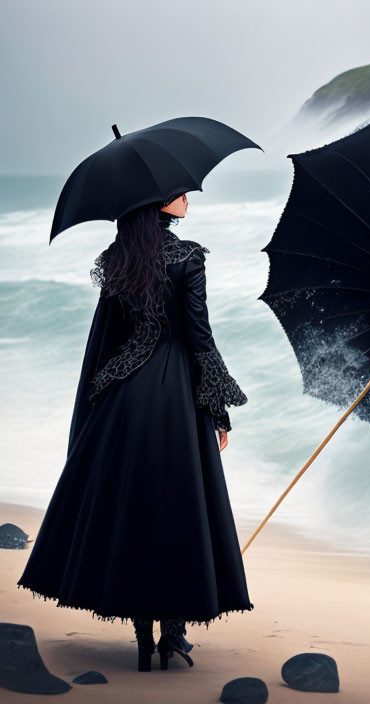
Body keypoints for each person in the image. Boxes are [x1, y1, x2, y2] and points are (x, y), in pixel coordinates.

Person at [17, 192, 253, 672]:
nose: (188, 199)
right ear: (161, 204)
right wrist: (219, 407)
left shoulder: (119, 260)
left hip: (125, 401)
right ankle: (172, 635)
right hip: (175, 403)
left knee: (135, 514)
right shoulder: (189, 258)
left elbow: (106, 339)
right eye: (180, 194)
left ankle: (144, 640)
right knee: (176, 510)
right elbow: (199, 337)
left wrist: (96, 405)